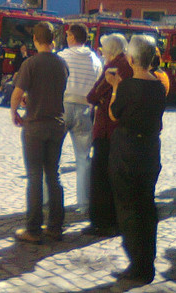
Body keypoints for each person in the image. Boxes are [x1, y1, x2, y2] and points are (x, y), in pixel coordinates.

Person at [106, 34, 167, 286]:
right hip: (150, 149)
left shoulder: (129, 85)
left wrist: (115, 87)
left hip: (128, 149)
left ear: (131, 58)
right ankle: (146, 261)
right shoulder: (158, 84)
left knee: (128, 207)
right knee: (146, 205)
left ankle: (137, 265)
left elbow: (113, 114)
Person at [10, 21, 69, 244]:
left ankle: (33, 229)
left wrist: (14, 111)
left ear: (35, 39)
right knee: (53, 175)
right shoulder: (62, 64)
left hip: (35, 125)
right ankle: (55, 226)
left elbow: (17, 93)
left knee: (35, 177)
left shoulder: (30, 63)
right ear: (53, 39)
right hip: (57, 124)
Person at [83, 33, 132, 237]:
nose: (101, 52)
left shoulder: (114, 67)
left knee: (101, 176)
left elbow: (93, 95)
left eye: (103, 49)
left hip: (107, 130)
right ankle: (114, 218)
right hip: (120, 130)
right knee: (115, 176)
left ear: (110, 50)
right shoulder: (127, 64)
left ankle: (101, 221)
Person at [57, 23, 102, 213]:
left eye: (68, 35)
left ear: (73, 38)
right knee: (83, 158)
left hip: (63, 106)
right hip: (85, 108)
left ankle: (48, 201)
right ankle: (83, 204)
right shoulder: (96, 59)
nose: (66, 38)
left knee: (53, 157)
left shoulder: (62, 56)